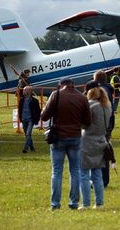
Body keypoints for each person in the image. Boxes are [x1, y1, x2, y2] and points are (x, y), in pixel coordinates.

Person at [41, 77, 92, 211]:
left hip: (58, 137)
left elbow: (44, 116)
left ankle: (55, 204)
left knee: (57, 171)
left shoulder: (55, 95)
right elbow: (88, 121)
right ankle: (73, 203)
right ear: (73, 85)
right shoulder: (82, 97)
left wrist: (45, 108)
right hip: (75, 136)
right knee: (75, 171)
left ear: (61, 85)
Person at [80, 86, 111, 210]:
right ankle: (99, 203)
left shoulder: (90, 106)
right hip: (101, 140)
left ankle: (86, 203)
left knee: (84, 174)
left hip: (87, 141)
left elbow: (83, 124)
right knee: (97, 174)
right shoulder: (107, 106)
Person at [17, 86, 41, 153]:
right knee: (28, 135)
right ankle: (32, 149)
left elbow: (38, 111)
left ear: (29, 92)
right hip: (23, 119)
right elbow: (20, 110)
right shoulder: (21, 100)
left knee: (28, 134)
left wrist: (37, 119)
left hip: (31, 120)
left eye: (25, 90)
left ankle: (25, 148)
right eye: (23, 90)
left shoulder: (35, 101)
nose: (23, 91)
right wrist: (20, 118)